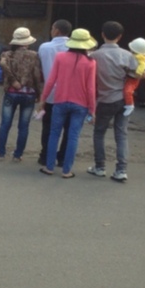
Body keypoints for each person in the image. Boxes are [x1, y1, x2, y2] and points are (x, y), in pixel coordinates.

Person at [38, 28, 97, 178]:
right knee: (73, 136)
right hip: (81, 104)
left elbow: (51, 81)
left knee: (54, 134)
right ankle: (66, 170)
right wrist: (92, 109)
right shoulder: (91, 63)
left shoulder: (60, 57)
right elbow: (91, 88)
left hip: (60, 101)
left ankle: (49, 167)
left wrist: (43, 100)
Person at [89, 21, 137, 182]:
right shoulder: (127, 55)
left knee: (99, 133)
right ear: (120, 37)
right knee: (121, 134)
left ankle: (100, 167)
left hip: (104, 100)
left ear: (102, 34)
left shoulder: (94, 56)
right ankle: (121, 170)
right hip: (124, 100)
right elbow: (137, 75)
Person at [0, 27, 43, 162]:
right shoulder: (34, 55)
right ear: (27, 42)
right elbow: (36, 75)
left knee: (5, 124)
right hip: (29, 94)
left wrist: (13, 81)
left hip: (11, 93)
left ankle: (0, 154)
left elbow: (3, 65)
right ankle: (17, 155)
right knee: (23, 126)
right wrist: (39, 94)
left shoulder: (7, 55)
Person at [37, 19, 72, 167]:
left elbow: (40, 67)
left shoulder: (44, 47)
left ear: (56, 30)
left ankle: (45, 156)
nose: (51, 31)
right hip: (70, 94)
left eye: (52, 28)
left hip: (50, 94)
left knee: (49, 127)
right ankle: (63, 158)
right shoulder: (74, 48)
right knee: (69, 129)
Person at [121, 37, 145, 117]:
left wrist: (138, 72)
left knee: (128, 91)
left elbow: (142, 70)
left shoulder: (140, 59)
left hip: (133, 78)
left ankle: (130, 105)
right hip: (129, 78)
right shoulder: (135, 57)